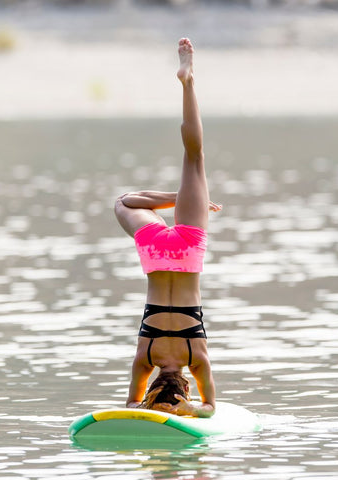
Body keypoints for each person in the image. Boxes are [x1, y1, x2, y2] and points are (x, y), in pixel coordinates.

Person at [114, 38, 221, 418]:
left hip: (187, 250)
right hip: (157, 250)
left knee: (195, 158)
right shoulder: (147, 357)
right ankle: (179, 195)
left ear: (184, 388)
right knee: (123, 201)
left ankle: (187, 81)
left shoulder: (198, 358)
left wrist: (192, 409)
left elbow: (210, 407)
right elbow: (131, 403)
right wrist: (153, 406)